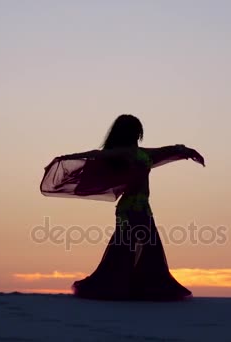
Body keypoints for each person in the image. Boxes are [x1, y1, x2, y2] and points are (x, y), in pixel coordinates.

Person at [40, 114, 205, 300]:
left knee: (147, 247)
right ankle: (118, 288)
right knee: (127, 247)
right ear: (129, 133)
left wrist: (187, 151)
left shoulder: (144, 153)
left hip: (143, 206)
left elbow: (165, 150)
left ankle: (138, 288)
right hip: (129, 208)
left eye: (139, 131)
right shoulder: (123, 152)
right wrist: (66, 158)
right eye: (135, 131)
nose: (138, 134)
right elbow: (97, 154)